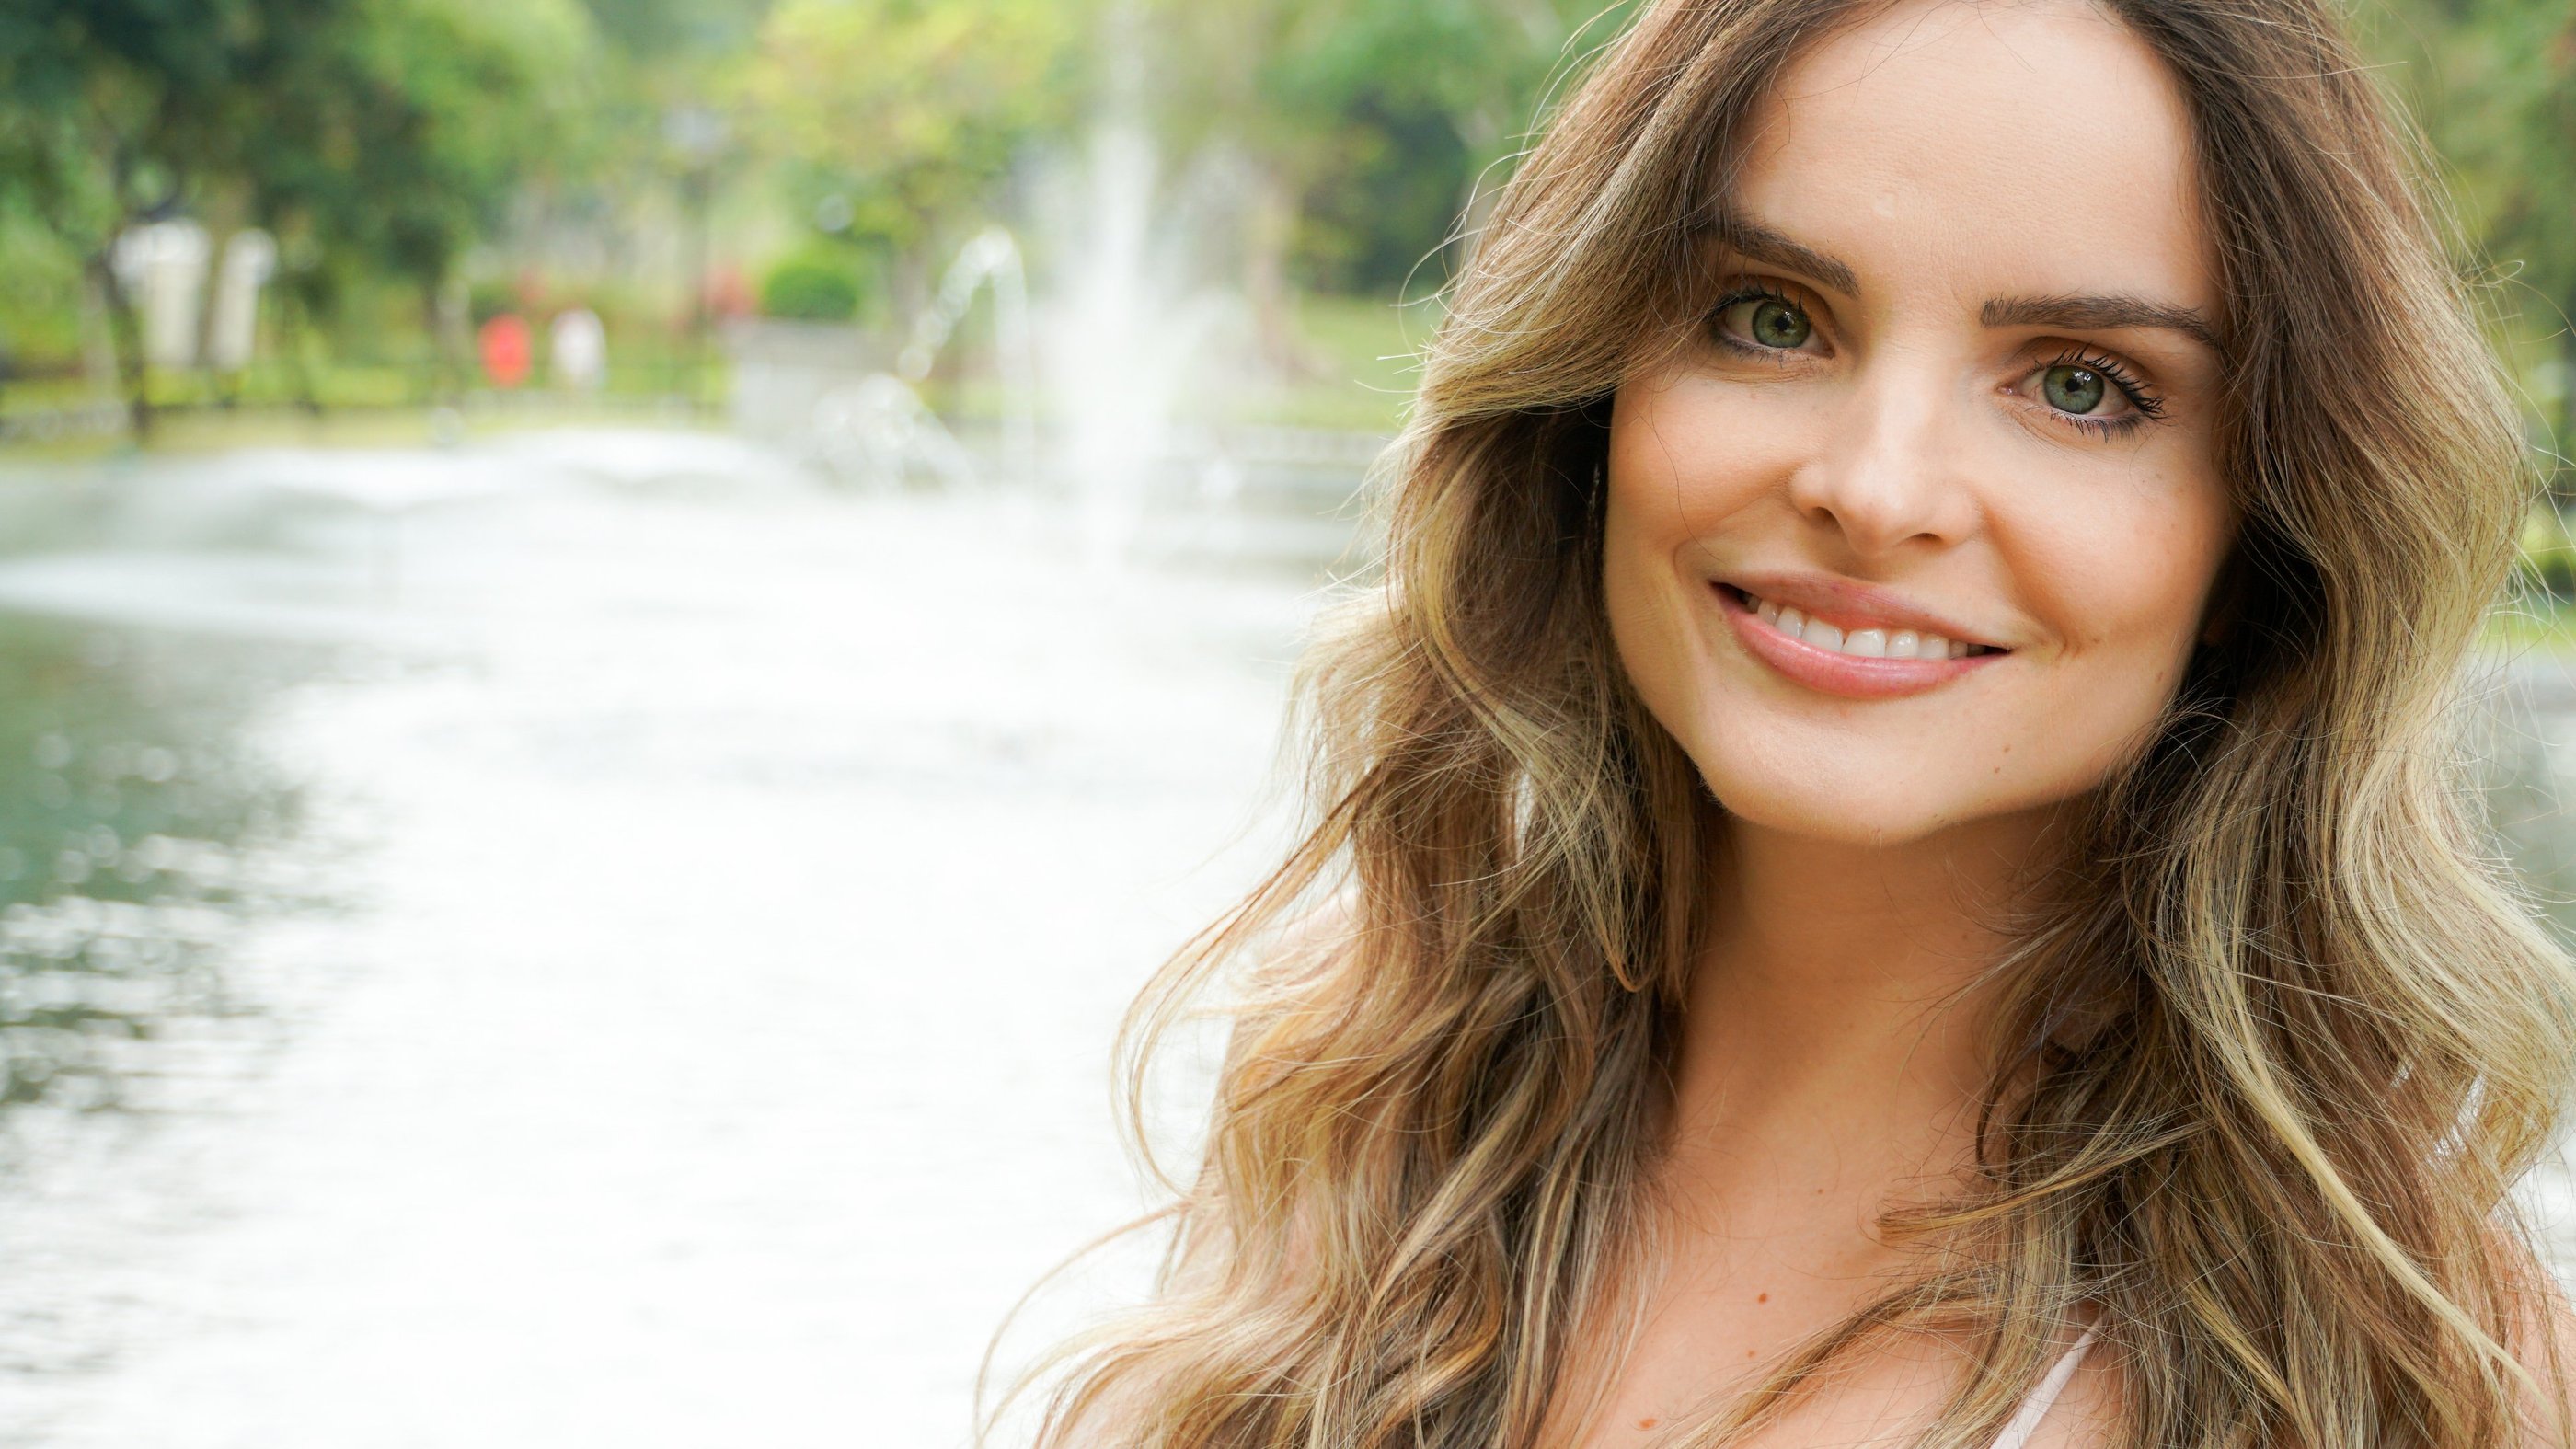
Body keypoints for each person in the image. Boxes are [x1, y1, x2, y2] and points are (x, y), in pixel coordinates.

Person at [1009, 0, 2576, 1445]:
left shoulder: (2408, 1361)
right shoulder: (1361, 1107)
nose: (1875, 487)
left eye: (2084, 387)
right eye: (1770, 317)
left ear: (2264, 538)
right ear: (1592, 401)